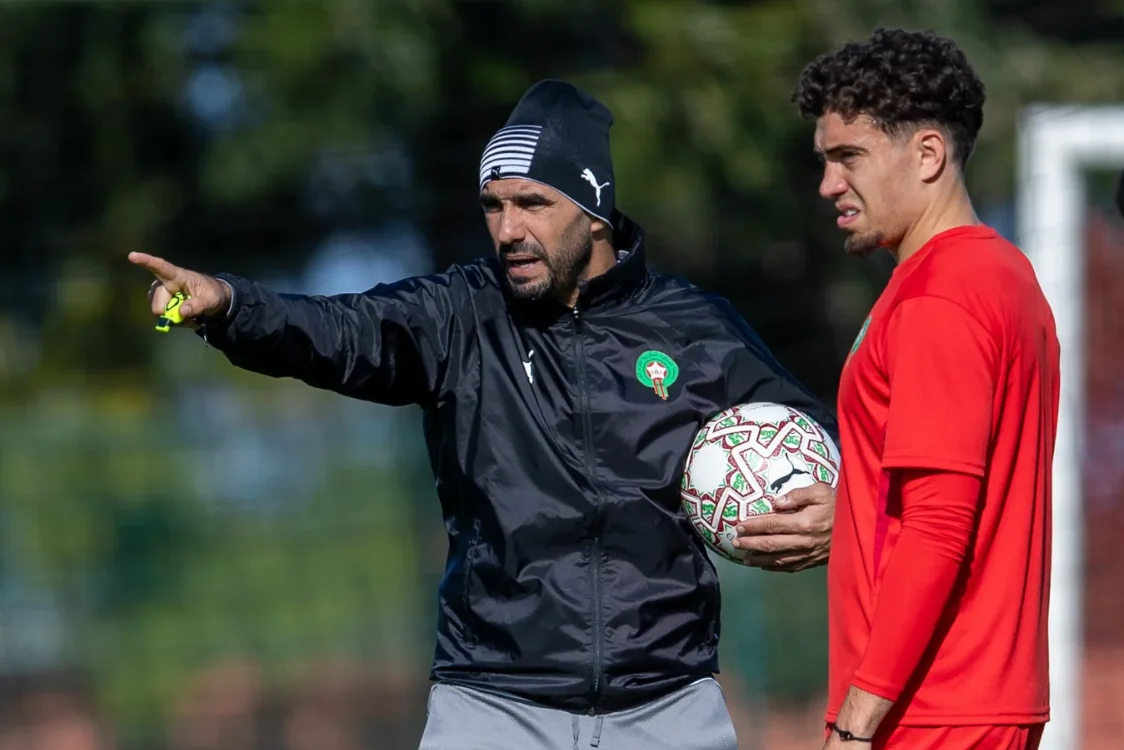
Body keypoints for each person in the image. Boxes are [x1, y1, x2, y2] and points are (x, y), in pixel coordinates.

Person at [130, 79, 839, 750]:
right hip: (493, 703)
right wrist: (228, 305)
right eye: (493, 206)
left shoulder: (695, 326)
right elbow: (339, 331)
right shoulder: (460, 315)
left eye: (532, 203)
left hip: (670, 701)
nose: (508, 229)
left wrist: (843, 506)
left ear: (594, 210)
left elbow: (824, 440)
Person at [788, 28, 1059, 750]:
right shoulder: (1004, 276)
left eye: (849, 157)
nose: (829, 184)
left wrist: (856, 724)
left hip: (929, 706)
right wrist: (856, 506)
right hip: (973, 700)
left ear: (929, 153)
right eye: (824, 161)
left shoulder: (939, 296)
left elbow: (940, 524)